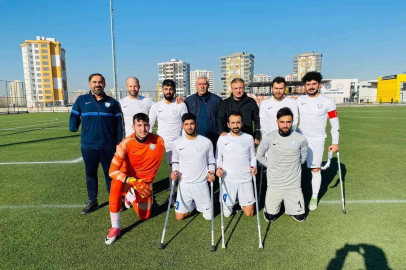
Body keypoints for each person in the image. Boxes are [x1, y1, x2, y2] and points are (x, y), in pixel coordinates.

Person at [105, 113, 165, 244]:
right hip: (129, 180)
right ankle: (115, 227)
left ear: (150, 125)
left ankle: (130, 197)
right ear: (133, 127)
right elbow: (112, 171)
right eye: (139, 125)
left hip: (143, 183)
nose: (143, 129)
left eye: (145, 125)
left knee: (145, 216)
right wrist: (132, 181)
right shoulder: (125, 144)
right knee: (115, 184)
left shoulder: (159, 141)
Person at [69, 73, 123, 215]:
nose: (97, 84)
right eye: (94, 82)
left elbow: (119, 125)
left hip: (108, 145)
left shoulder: (112, 102)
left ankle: (114, 200)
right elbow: (74, 115)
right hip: (88, 145)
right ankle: (92, 200)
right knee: (90, 173)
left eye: (100, 82)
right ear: (89, 84)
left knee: (110, 174)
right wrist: (73, 125)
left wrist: (119, 143)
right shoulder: (81, 100)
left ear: (104, 84)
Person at [297, 72, 340, 211]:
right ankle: (294, 195)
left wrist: (335, 142)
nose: (311, 87)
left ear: (319, 85)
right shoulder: (299, 100)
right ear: (305, 86)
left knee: (315, 169)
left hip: (317, 140)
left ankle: (314, 197)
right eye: (308, 84)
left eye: (314, 84)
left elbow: (335, 124)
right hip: (300, 139)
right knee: (294, 168)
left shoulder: (328, 102)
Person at [256, 107, 308, 223]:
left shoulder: (301, 139)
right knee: (269, 217)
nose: (285, 125)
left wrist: (293, 167)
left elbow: (303, 158)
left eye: (288, 122)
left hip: (293, 185)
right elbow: (259, 156)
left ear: (293, 122)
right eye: (282, 122)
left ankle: (289, 203)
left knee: (300, 218)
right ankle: (277, 204)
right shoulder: (269, 138)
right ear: (277, 122)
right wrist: (271, 165)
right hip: (275, 184)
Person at [149, 79, 188, 205]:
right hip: (159, 143)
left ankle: (172, 195)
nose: (168, 91)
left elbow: (185, 124)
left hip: (175, 144)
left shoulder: (181, 105)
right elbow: (149, 124)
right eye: (166, 89)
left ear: (175, 90)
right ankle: (148, 196)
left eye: (171, 89)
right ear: (162, 90)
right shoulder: (156, 106)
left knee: (174, 170)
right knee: (151, 169)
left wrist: (183, 142)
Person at [171, 113, 215, 221]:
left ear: (196, 124)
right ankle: (193, 205)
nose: (189, 127)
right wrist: (175, 171)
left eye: (192, 124)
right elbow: (175, 161)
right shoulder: (177, 143)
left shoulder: (206, 142)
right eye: (186, 124)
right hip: (184, 185)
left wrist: (211, 172)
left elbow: (211, 162)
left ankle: (200, 202)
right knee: (179, 217)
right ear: (183, 126)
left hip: (201, 184)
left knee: (208, 217)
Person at [216, 112, 257, 217]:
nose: (235, 125)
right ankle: (232, 202)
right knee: (226, 214)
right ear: (228, 124)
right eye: (233, 123)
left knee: (249, 213)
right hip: (228, 179)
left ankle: (241, 200)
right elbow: (218, 157)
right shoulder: (222, 139)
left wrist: (253, 167)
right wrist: (219, 168)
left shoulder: (248, 138)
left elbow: (252, 157)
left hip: (245, 179)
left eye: (238, 122)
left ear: (242, 123)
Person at [217, 78, 261, 146]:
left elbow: (257, 120)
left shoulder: (251, 102)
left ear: (244, 88)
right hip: (230, 140)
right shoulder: (225, 103)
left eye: (240, 88)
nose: (238, 91)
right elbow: (219, 119)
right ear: (232, 89)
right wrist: (222, 131)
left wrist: (257, 137)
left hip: (247, 139)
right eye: (236, 88)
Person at [184, 76, 222, 147]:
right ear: (196, 86)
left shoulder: (217, 100)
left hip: (213, 138)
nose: (202, 86)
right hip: (195, 138)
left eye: (204, 84)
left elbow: (221, 119)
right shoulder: (189, 101)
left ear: (208, 86)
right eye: (200, 84)